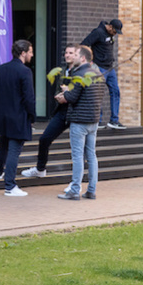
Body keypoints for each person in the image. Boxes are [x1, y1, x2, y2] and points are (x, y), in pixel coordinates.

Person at [55, 45, 105, 200]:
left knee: (77, 156)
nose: (73, 57)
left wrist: (64, 93)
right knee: (91, 154)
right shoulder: (98, 74)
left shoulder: (79, 75)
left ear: (83, 58)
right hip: (93, 120)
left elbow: (72, 97)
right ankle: (91, 190)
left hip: (79, 120)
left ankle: (75, 190)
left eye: (76, 54)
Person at [0, 39, 37, 197]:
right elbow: (29, 98)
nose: (32, 55)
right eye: (30, 52)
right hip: (18, 116)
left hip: (2, 115)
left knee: (3, 145)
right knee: (14, 151)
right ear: (23, 53)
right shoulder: (25, 71)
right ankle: (10, 186)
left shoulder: (0, 69)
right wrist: (32, 115)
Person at [21, 44, 77, 179]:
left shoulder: (81, 72)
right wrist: (59, 96)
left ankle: (78, 182)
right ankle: (40, 169)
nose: (67, 55)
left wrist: (67, 97)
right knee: (45, 139)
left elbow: (80, 94)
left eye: (70, 53)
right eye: (66, 52)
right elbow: (59, 89)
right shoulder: (63, 71)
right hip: (62, 112)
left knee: (79, 148)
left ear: (77, 55)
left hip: (76, 112)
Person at [81, 18, 125, 129]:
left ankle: (114, 121)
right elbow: (84, 45)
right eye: (114, 31)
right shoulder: (98, 33)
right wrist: (90, 61)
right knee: (98, 93)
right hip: (99, 68)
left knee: (115, 92)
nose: (115, 34)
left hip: (110, 68)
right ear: (110, 27)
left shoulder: (111, 35)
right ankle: (98, 120)